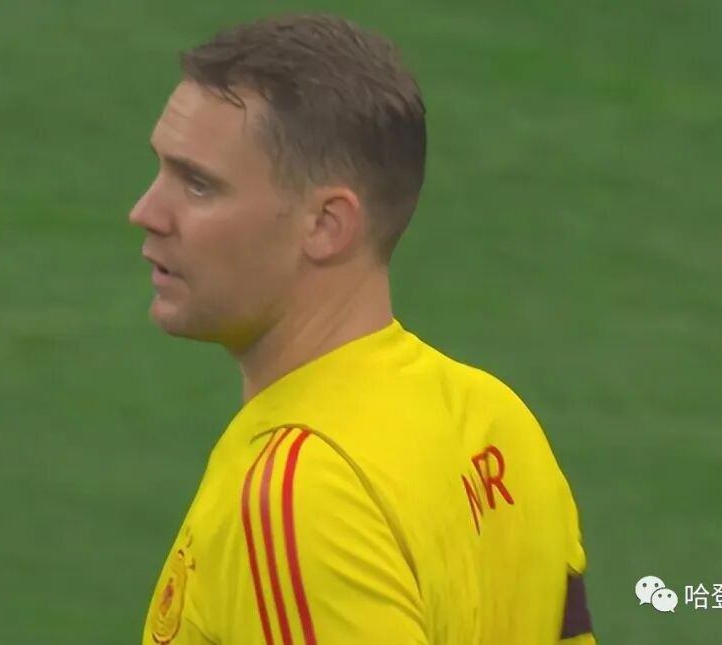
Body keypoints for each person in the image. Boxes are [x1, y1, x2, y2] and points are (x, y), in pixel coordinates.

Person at [129, 13, 595, 645]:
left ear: (326, 225)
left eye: (198, 185)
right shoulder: (494, 418)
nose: (147, 212)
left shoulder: (299, 495)